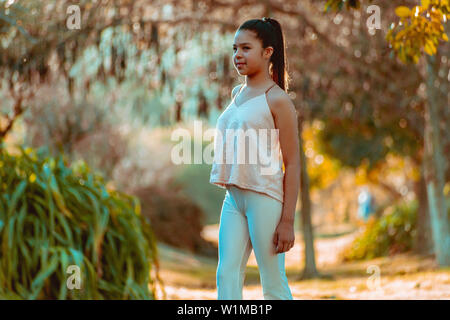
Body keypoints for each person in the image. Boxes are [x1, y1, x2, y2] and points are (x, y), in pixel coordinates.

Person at [209, 17, 300, 300]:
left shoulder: (278, 100)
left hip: (265, 199)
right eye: (235, 48)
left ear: (268, 51)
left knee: (272, 283)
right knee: (226, 275)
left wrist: (287, 221)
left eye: (246, 48)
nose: (238, 55)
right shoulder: (237, 93)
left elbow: (294, 163)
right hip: (233, 199)